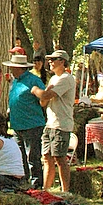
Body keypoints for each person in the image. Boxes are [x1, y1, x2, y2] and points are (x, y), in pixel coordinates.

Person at [33, 50, 75, 192]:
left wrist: (35, 90)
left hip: (61, 125)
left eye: (53, 59)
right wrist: (43, 95)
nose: (50, 62)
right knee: (46, 158)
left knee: (60, 159)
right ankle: (46, 190)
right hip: (50, 124)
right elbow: (43, 103)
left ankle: (66, 192)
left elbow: (45, 95)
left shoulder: (66, 78)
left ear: (62, 62)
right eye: (49, 60)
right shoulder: (53, 79)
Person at [6, 54, 46, 188]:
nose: (11, 69)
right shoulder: (15, 81)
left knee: (33, 157)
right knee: (20, 156)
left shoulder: (33, 80)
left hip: (31, 124)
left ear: (20, 68)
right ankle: (23, 181)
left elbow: (44, 99)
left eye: (13, 67)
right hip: (17, 124)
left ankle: (36, 184)